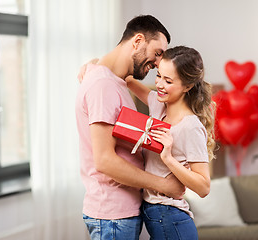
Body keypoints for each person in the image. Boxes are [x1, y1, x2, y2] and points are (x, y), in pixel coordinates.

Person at [75, 15, 185, 240]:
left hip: (119, 213)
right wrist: (164, 185)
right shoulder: (103, 85)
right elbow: (105, 160)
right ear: (137, 41)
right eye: (157, 53)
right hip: (113, 214)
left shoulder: (114, 81)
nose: (157, 64)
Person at [126, 46, 216, 240]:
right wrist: (95, 66)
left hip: (171, 217)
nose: (159, 84)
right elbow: (127, 79)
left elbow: (203, 187)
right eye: (158, 76)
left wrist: (168, 159)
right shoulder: (159, 105)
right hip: (156, 215)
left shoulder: (190, 126)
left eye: (168, 81)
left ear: (187, 86)